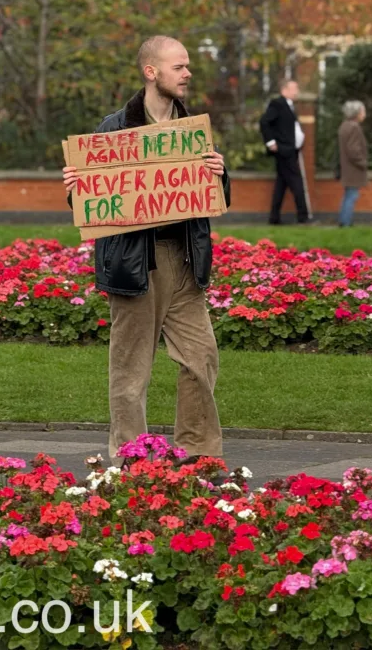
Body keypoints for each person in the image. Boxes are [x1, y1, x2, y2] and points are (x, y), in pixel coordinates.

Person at [62, 36, 230, 466]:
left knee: (201, 357)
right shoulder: (114, 130)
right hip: (138, 265)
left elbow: (210, 200)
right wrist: (76, 189)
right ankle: (132, 458)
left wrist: (219, 174)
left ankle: (198, 454)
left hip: (185, 260)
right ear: (151, 72)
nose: (188, 73)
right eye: (179, 67)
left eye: (188, 66)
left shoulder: (192, 131)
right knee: (130, 370)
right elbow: (96, 204)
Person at [260, 79, 311, 225]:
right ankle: (303, 217)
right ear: (285, 90)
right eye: (294, 88)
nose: (297, 91)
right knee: (297, 182)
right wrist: (271, 142)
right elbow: (264, 121)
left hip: (290, 151)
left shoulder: (290, 106)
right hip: (284, 151)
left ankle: (274, 218)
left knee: (281, 186)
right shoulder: (278, 104)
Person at [337, 99, 368, 227]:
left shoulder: (344, 126)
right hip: (353, 169)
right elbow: (353, 149)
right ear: (357, 113)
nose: (364, 114)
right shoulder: (354, 127)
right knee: (352, 196)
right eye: (363, 111)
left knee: (348, 195)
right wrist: (363, 162)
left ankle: (344, 220)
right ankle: (345, 222)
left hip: (347, 168)